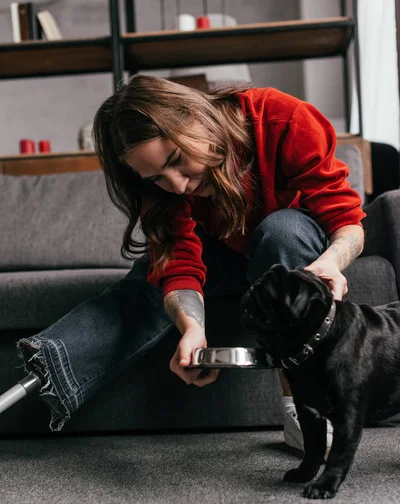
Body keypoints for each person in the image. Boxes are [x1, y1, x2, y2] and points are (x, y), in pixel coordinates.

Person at [17, 74, 366, 450]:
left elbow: (347, 221)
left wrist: (330, 263)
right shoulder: (161, 191)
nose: (178, 185)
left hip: (290, 255)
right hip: (222, 261)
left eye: (177, 160)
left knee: (282, 229)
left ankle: (304, 406)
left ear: (195, 116)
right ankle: (45, 368)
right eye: (157, 178)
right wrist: (191, 327)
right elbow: (179, 262)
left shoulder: (282, 118)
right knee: (151, 273)